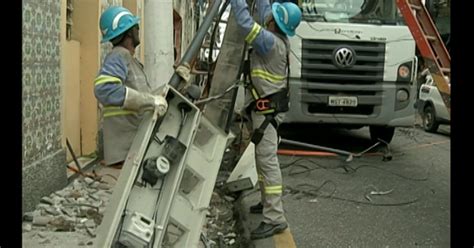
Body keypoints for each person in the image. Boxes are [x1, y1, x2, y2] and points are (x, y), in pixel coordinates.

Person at [229, 0, 302, 240]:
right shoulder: (276, 38)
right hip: (265, 111)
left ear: (274, 22)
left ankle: (275, 218)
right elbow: (264, 11)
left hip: (267, 113)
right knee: (262, 160)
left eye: (272, 16)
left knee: (267, 162)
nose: (267, 17)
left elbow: (244, 22)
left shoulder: (269, 42)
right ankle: (266, 202)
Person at [94, 6, 171, 168]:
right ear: (129, 32)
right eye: (136, 27)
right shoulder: (118, 56)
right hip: (125, 148)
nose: (138, 30)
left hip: (131, 145)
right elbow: (104, 90)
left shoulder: (129, 60)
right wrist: (150, 101)